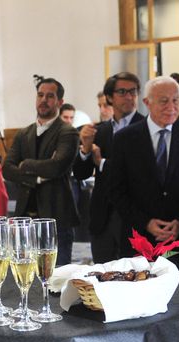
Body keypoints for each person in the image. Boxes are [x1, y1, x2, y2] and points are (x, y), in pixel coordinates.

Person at [106, 75, 179, 288]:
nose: (171, 107)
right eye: (164, 101)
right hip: (139, 240)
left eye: (176, 100)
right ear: (147, 103)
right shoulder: (125, 138)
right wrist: (146, 222)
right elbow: (116, 190)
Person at [2, 77, 79, 265]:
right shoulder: (23, 133)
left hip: (56, 219)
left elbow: (57, 166)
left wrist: (26, 165)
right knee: (25, 279)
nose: (44, 100)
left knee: (56, 280)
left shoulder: (68, 132)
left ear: (60, 102)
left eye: (50, 96)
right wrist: (37, 177)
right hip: (25, 221)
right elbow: (7, 169)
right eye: (40, 95)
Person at [73, 72, 144, 263]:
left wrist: (102, 162)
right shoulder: (100, 130)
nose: (129, 96)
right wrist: (86, 149)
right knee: (103, 276)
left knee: (134, 279)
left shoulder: (146, 128)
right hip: (103, 217)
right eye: (122, 92)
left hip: (134, 218)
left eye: (133, 91)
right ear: (110, 97)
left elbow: (137, 173)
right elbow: (81, 174)